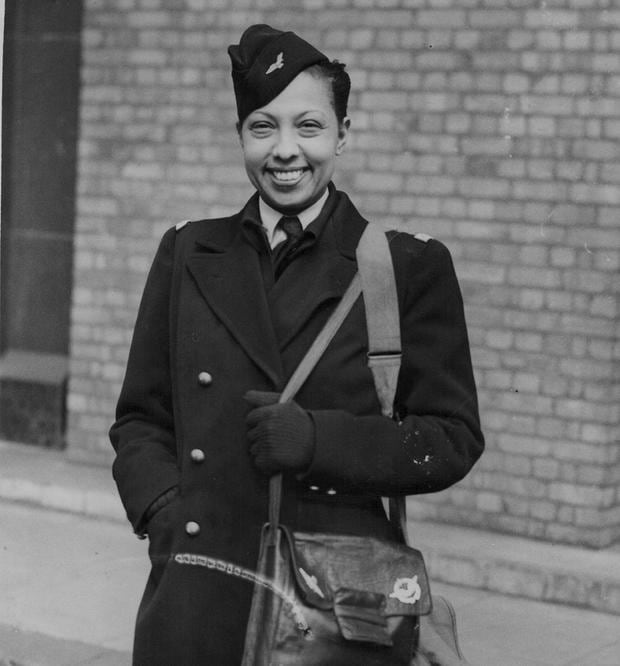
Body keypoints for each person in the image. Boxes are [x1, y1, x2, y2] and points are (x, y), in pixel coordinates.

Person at [109, 24, 484, 665]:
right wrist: (164, 514)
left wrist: (319, 441)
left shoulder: (402, 267)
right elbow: (140, 419)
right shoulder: (188, 252)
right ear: (240, 137)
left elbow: (451, 438)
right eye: (263, 127)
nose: (285, 151)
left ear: (343, 132)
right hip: (197, 593)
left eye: (308, 127)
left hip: (333, 612)